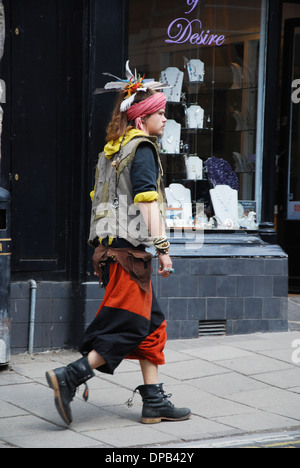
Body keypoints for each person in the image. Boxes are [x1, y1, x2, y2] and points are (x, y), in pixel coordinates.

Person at [45, 62, 191, 426]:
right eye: (159, 113)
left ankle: (153, 401)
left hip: (112, 252)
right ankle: (72, 375)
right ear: (141, 120)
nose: (163, 119)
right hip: (129, 255)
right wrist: (163, 249)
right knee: (128, 325)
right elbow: (145, 201)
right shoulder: (141, 149)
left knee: (152, 325)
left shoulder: (112, 150)